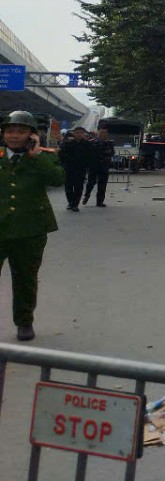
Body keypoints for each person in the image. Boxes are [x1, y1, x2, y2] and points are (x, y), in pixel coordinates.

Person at [0, 110, 66, 341]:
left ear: (32, 135)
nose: (14, 136)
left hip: (30, 231)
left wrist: (36, 155)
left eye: (21, 131)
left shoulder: (44, 156)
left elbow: (57, 180)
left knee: (25, 280)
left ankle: (24, 321)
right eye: (9, 131)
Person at [57, 126, 94, 212]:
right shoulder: (68, 144)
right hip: (69, 168)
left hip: (81, 169)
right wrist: (64, 164)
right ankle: (70, 202)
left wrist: (87, 166)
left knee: (78, 187)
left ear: (84, 134)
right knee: (68, 187)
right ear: (74, 133)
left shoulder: (87, 144)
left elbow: (90, 157)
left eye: (81, 133)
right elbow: (61, 155)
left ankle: (75, 204)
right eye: (77, 133)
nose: (79, 134)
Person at [83, 126, 115, 207]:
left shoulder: (109, 143)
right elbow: (88, 153)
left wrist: (106, 153)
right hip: (93, 165)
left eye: (104, 132)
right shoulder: (91, 142)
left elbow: (112, 153)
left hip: (104, 166)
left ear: (107, 134)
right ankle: (87, 196)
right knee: (91, 182)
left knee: (102, 184)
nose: (102, 134)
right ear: (97, 133)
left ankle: (100, 201)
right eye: (101, 132)